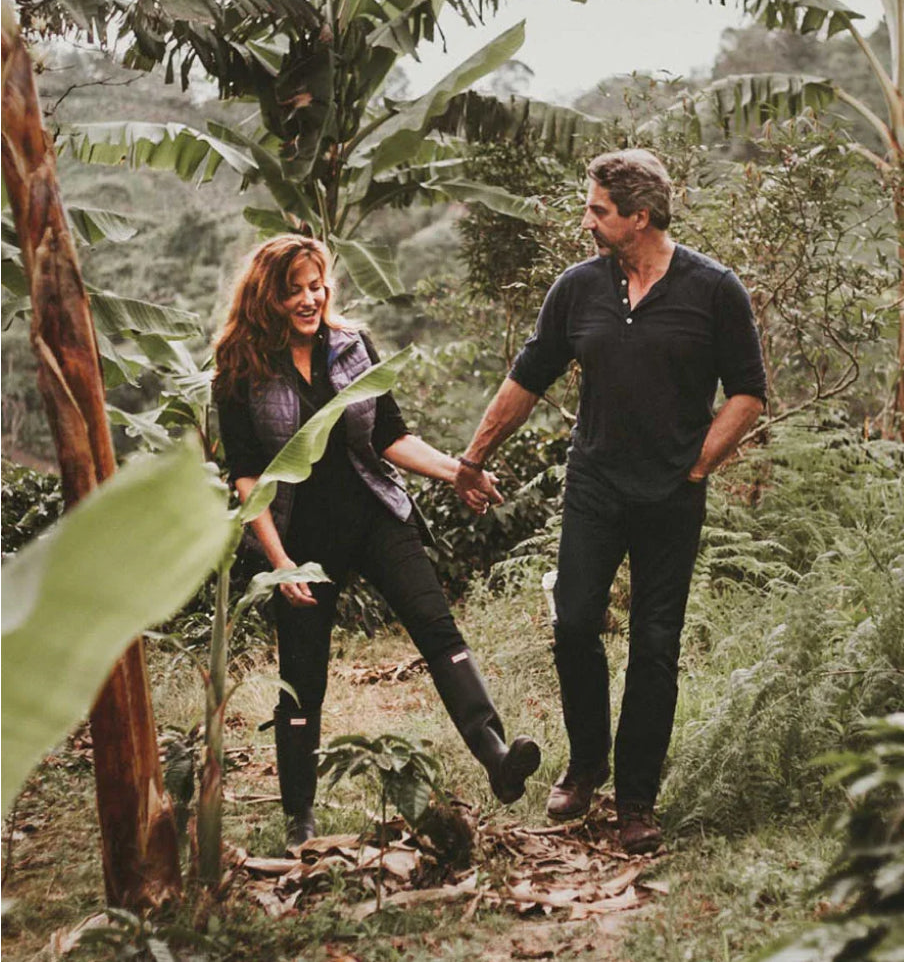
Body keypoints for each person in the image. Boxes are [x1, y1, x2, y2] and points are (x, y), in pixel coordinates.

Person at [454, 150, 766, 854]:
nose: (586, 220)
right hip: (594, 482)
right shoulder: (577, 288)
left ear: (639, 216)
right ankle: (586, 761)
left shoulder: (713, 289)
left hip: (670, 497)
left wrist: (698, 465)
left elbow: (748, 389)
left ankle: (636, 800)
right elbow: (527, 376)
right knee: (571, 622)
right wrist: (472, 458)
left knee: (654, 647)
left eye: (597, 209)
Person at [212, 235, 541, 848]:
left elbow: (389, 435)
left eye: (317, 286)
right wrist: (281, 565)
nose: (311, 299)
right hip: (299, 540)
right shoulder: (240, 368)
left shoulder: (351, 345)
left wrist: (459, 469)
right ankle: (299, 817)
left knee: (436, 625)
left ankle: (496, 755)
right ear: (268, 297)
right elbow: (247, 475)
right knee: (303, 676)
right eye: (295, 290)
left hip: (375, 514)